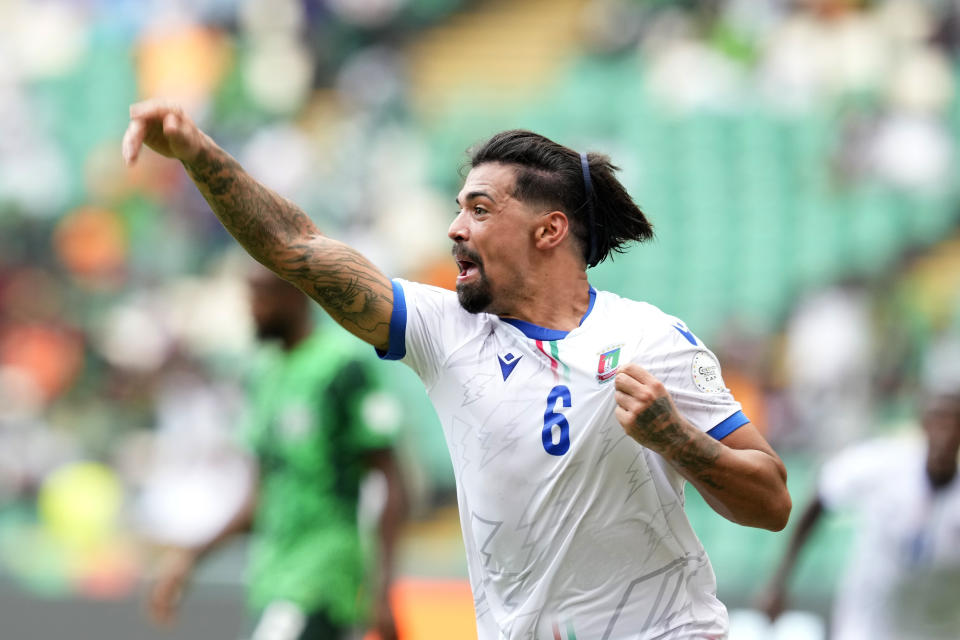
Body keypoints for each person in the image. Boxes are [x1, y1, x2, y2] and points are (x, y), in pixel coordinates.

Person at [123, 100, 791, 640]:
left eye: (478, 208)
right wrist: (196, 153)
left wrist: (677, 440)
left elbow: (771, 501)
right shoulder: (447, 333)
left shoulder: (650, 338)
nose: (454, 228)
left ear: (549, 231)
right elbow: (297, 248)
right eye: (456, 207)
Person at [147, 265, 407, 640]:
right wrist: (190, 557)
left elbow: (393, 479)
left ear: (296, 295)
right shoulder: (264, 374)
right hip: (271, 577)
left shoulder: (340, 365)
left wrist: (382, 589)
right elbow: (259, 497)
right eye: (249, 295)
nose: (252, 308)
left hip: (324, 576)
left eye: (262, 295)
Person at [756, 387, 960, 640]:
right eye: (939, 418)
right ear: (923, 423)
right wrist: (779, 581)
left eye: (955, 421)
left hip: (938, 630)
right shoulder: (884, 463)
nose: (946, 431)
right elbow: (822, 494)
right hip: (868, 624)